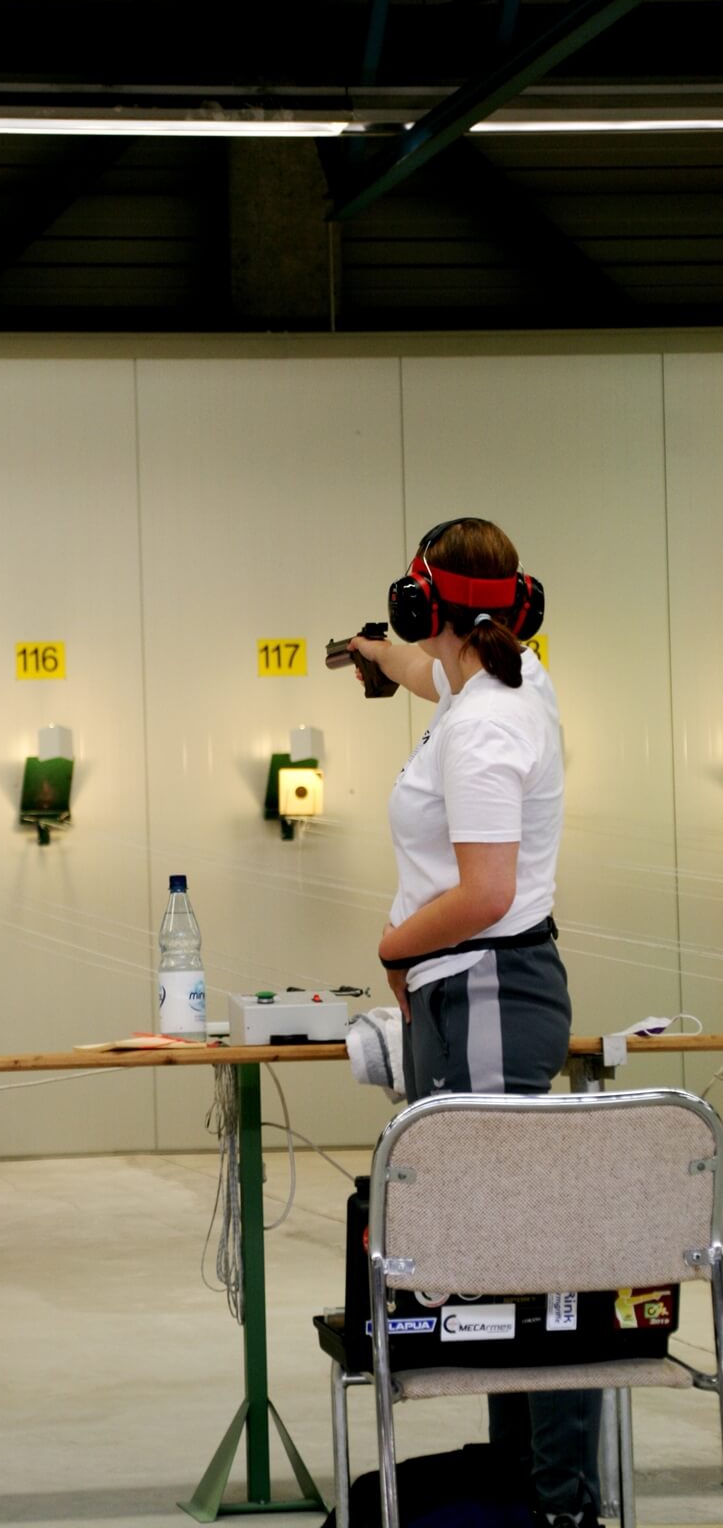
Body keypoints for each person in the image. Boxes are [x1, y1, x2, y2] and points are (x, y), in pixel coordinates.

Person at [347, 517, 601, 1528]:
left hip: (484, 986)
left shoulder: (486, 725)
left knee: (527, 1249)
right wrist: (373, 654)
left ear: (423, 603)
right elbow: (430, 672)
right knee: (496, 1249)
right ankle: (516, 1482)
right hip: (470, 991)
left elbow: (487, 891)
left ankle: (558, 1501)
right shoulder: (501, 681)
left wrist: (392, 946)